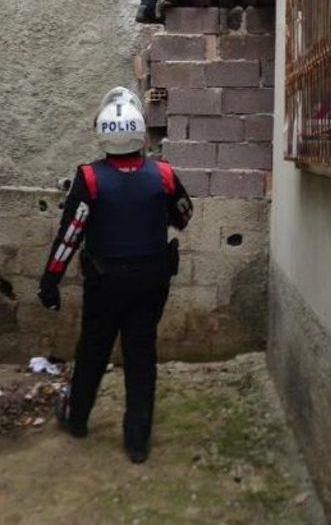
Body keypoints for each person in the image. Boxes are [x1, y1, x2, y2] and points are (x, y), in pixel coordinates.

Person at [37, 87, 193, 463]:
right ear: (139, 130)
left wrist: (50, 280)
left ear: (102, 130)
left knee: (92, 349)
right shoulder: (165, 175)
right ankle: (137, 443)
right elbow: (184, 216)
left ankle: (77, 420)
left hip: (104, 283)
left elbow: (70, 234)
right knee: (141, 355)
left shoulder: (89, 178)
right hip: (151, 282)